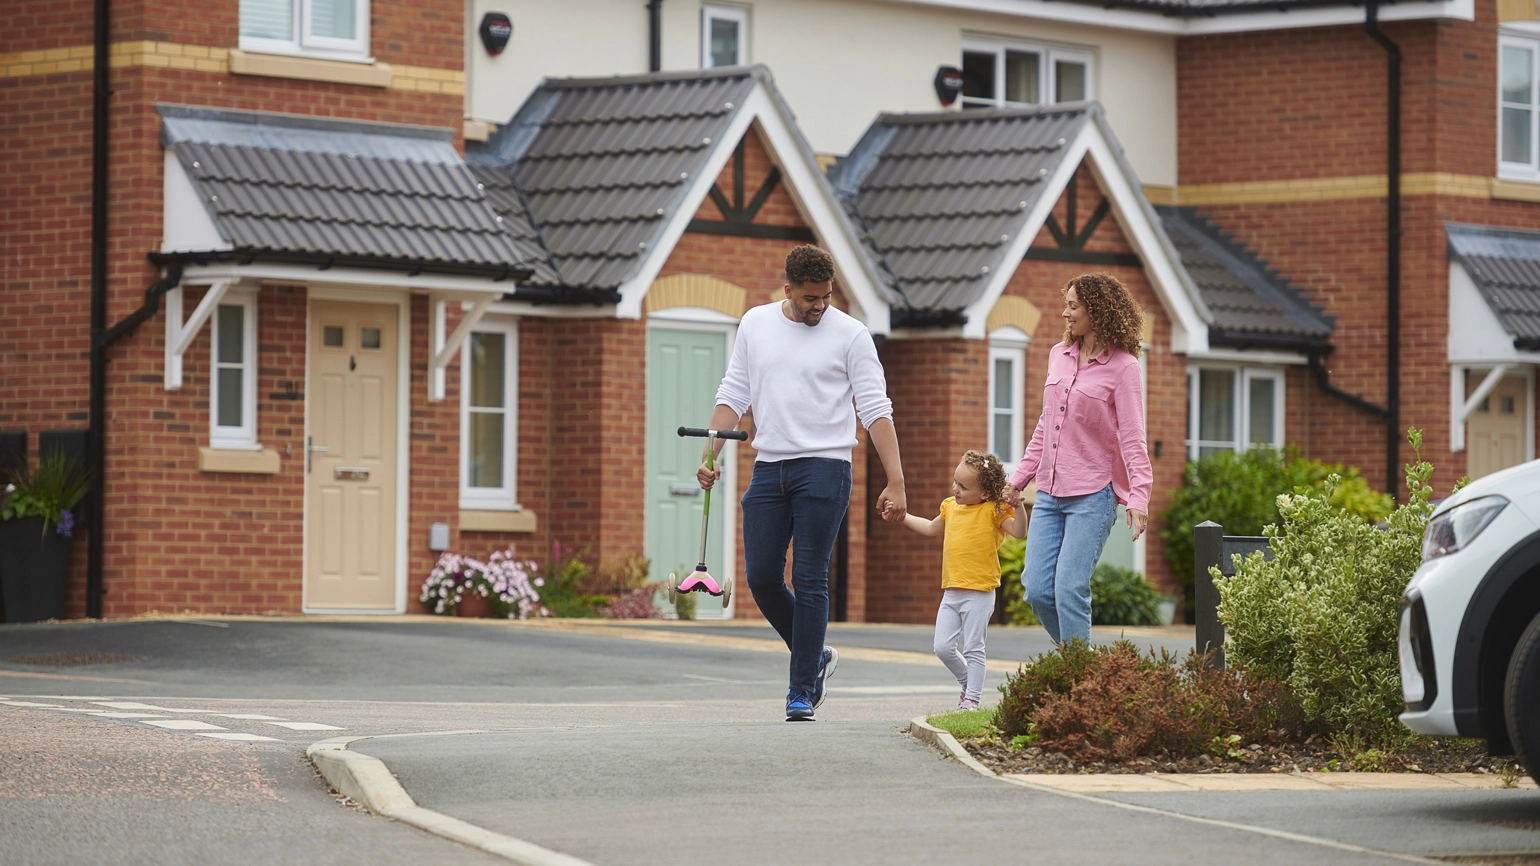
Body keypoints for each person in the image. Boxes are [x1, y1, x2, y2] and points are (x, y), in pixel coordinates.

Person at [697, 245, 908, 722]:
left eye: (826, 297)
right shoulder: (755, 323)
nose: (820, 306)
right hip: (769, 465)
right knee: (763, 577)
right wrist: (709, 455)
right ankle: (816, 656)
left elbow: (875, 409)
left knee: (810, 577)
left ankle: (800, 691)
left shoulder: (852, 335)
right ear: (788, 289)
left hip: (826, 465)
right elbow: (734, 392)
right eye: (810, 298)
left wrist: (895, 480)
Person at [1005, 273, 1153, 646]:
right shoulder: (1059, 354)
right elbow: (1046, 424)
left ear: (1097, 312)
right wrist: (1019, 480)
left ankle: (1079, 679)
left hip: (1093, 495)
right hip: (1050, 493)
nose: (1065, 313)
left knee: (1069, 589)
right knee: (1037, 591)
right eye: (1066, 304)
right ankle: (1086, 670)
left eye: (1073, 306)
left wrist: (1139, 496)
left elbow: (1134, 437)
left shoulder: (1123, 367)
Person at [900, 449, 1027, 711]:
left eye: (963, 486)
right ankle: (969, 683)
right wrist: (903, 516)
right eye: (955, 482)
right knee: (942, 647)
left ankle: (972, 699)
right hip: (952, 592)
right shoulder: (950, 507)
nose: (955, 489)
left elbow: (1019, 532)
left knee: (973, 648)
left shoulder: (994, 510)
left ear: (983, 493)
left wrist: (1020, 508)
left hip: (979, 593)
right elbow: (929, 527)